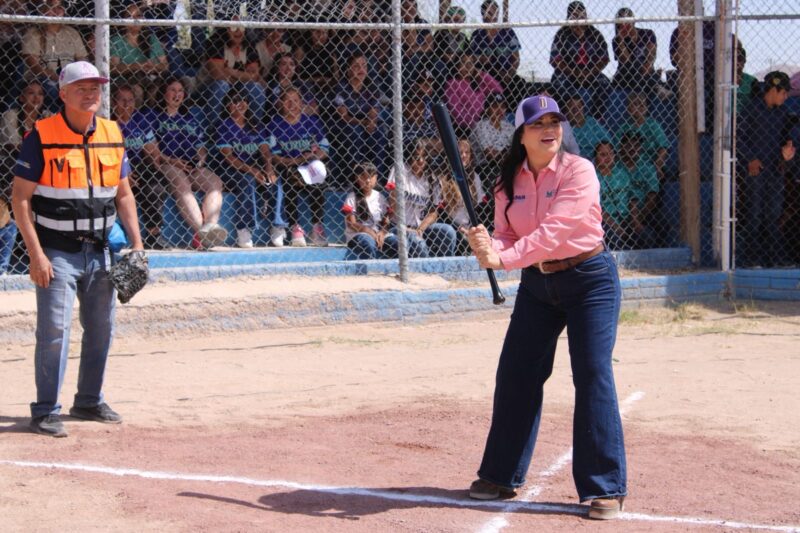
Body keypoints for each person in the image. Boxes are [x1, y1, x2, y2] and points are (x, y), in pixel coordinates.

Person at [462, 95, 627, 520]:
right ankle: (500, 475)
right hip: (538, 284)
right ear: (521, 134)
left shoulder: (579, 170)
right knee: (516, 372)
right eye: (538, 123)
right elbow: (508, 236)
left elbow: (555, 231)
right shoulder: (507, 182)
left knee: (591, 372)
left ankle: (605, 487)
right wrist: (489, 245)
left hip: (589, 279)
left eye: (554, 121)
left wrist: (502, 258)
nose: (549, 129)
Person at [10, 61, 144, 437]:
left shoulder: (112, 132)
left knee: (102, 329)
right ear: (63, 93)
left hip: (101, 252)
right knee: (54, 330)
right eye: (81, 88)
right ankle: (45, 410)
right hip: (56, 251)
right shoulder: (41, 134)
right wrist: (36, 254)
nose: (90, 94)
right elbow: (20, 199)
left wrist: (137, 244)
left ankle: (88, 400)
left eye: (95, 88)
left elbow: (124, 194)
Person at [147, 77, 227, 249]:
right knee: (182, 183)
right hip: (167, 162)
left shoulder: (189, 118)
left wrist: (200, 161)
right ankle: (201, 233)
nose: (177, 95)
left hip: (190, 165)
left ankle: (210, 227)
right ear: (163, 93)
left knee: (215, 183)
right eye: (172, 90)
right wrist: (173, 161)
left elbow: (200, 146)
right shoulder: (153, 116)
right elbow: (153, 150)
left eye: (180, 91)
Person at [736, 71, 795, 267]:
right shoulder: (751, 110)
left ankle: (774, 259)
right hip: (756, 171)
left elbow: (788, 140)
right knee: (754, 214)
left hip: (775, 171)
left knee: (773, 215)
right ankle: (751, 259)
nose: (785, 97)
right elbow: (738, 138)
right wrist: (749, 159)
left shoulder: (783, 114)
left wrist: (787, 154)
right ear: (773, 90)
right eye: (783, 92)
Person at [214, 86, 282, 248]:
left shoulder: (256, 126)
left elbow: (265, 151)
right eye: (235, 101)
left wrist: (269, 168)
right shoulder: (223, 125)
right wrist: (253, 171)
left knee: (275, 181)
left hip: (254, 168)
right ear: (227, 105)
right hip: (229, 170)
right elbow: (229, 158)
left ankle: (278, 225)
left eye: (243, 100)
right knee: (247, 180)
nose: (240, 104)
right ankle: (244, 229)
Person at [267, 87, 330, 247]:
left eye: (295, 100)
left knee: (318, 178)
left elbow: (324, 148)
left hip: (309, 166)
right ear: (280, 103)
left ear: (302, 103)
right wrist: (297, 160)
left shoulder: (312, 122)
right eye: (287, 100)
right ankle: (295, 227)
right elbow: (274, 156)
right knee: (289, 180)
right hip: (288, 166)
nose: (292, 104)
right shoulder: (275, 125)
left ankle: (316, 226)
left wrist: (314, 156)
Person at [111, 84, 168, 250]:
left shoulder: (140, 120)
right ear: (113, 102)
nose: (127, 104)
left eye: (130, 100)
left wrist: (152, 153)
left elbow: (152, 148)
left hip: (139, 164)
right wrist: (124, 173)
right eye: (122, 100)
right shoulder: (109, 122)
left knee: (155, 185)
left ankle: (154, 235)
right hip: (116, 166)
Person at [387, 138, 457, 257]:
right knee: (418, 242)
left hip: (421, 227)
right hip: (399, 226)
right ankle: (428, 268)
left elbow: (433, 212)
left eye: (424, 156)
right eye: (416, 157)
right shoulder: (400, 170)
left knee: (448, 232)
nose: (420, 161)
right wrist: (405, 228)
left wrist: (421, 229)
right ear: (409, 157)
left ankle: (443, 266)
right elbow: (393, 204)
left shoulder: (431, 177)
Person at [200, 15, 267, 129]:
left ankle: (254, 129)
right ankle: (213, 130)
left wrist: (231, 71)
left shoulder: (249, 47)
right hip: (209, 87)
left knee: (256, 88)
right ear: (226, 29)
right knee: (222, 86)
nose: (238, 31)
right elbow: (218, 75)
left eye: (241, 27)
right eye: (233, 27)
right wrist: (244, 75)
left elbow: (254, 76)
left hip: (238, 87)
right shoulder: (215, 44)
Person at [20, 0, 88, 110]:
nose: (56, 11)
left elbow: (83, 60)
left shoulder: (72, 33)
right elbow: (35, 66)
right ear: (43, 10)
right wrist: (59, 79)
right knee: (52, 89)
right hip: (42, 79)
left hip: (70, 79)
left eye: (60, 7)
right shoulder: (33, 33)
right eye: (51, 7)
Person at [549, 1, 611, 119]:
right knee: (558, 83)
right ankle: (563, 117)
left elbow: (604, 59)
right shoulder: (562, 34)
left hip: (591, 72)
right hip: (567, 72)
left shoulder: (595, 34)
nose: (578, 20)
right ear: (569, 18)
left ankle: (595, 118)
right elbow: (555, 60)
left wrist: (590, 72)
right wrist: (573, 72)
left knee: (605, 84)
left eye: (582, 16)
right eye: (575, 16)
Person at [109, 2, 168, 106]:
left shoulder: (151, 38)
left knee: (158, 90)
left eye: (138, 16)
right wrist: (135, 66)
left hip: (151, 77)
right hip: (127, 80)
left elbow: (165, 65)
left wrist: (154, 67)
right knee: (137, 91)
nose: (135, 20)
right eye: (129, 17)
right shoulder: (117, 41)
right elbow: (113, 68)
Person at [435, 138, 488, 254]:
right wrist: (459, 228)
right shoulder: (443, 178)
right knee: (462, 239)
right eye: (460, 152)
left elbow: (480, 208)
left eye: (467, 152)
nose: (464, 156)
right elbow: (440, 212)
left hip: (470, 226)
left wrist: (473, 228)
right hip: (451, 225)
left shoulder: (474, 176)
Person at [341, 161, 397, 260]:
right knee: (368, 242)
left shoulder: (380, 197)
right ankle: (371, 266)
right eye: (363, 176)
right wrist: (368, 231)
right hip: (358, 235)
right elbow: (351, 224)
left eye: (371, 176)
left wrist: (382, 232)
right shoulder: (351, 198)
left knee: (397, 242)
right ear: (357, 178)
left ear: (376, 178)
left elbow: (386, 220)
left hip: (377, 234)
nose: (367, 180)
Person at [615, 131, 659, 249]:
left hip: (644, 213)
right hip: (618, 214)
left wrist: (637, 218)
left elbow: (652, 197)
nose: (633, 148)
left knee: (657, 227)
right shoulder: (615, 168)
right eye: (629, 145)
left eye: (636, 145)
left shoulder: (648, 167)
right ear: (621, 147)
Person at [444, 53, 503, 137]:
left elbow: (498, 90)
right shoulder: (452, 84)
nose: (468, 66)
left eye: (471, 63)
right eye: (463, 62)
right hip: (463, 129)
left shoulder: (478, 82)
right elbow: (457, 113)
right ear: (457, 66)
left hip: (482, 127)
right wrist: (475, 125)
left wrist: (482, 74)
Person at [614, 92, 669, 182]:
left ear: (647, 108)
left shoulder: (654, 125)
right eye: (635, 104)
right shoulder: (623, 128)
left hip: (650, 166)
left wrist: (657, 166)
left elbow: (663, 148)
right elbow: (616, 151)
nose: (639, 107)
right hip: (628, 166)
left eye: (642, 105)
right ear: (628, 109)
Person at [469, 92, 516, 193]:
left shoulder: (509, 127)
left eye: (502, 107)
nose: (499, 110)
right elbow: (491, 154)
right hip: (486, 168)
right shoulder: (480, 126)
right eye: (495, 106)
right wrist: (509, 154)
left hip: (507, 166)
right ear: (487, 109)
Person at [468, 0, 521, 89]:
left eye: (496, 12)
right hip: (486, 74)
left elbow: (516, 59)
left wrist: (509, 74)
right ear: (483, 15)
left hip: (506, 73)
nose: (494, 16)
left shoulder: (507, 32)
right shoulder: (477, 35)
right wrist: (482, 59)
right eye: (489, 13)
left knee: (520, 83)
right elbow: (474, 60)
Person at [593, 140, 634, 250]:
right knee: (615, 238)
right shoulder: (593, 177)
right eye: (603, 155)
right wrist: (615, 226)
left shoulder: (622, 174)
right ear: (595, 158)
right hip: (604, 221)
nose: (607, 158)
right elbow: (597, 208)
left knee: (647, 235)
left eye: (610, 153)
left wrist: (635, 220)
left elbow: (632, 198)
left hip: (627, 218)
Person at [611, 7, 658, 94]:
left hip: (645, 71)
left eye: (627, 21)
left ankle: (654, 88)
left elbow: (651, 55)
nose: (625, 25)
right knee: (633, 67)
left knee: (641, 68)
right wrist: (621, 41)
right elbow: (626, 61)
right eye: (621, 22)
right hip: (626, 74)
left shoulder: (647, 34)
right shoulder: (616, 41)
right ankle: (655, 88)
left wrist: (647, 66)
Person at [562, 94, 611, 159]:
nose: (576, 110)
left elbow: (607, 140)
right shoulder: (565, 127)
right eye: (571, 107)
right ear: (566, 111)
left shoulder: (592, 122)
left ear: (583, 108)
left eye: (579, 107)